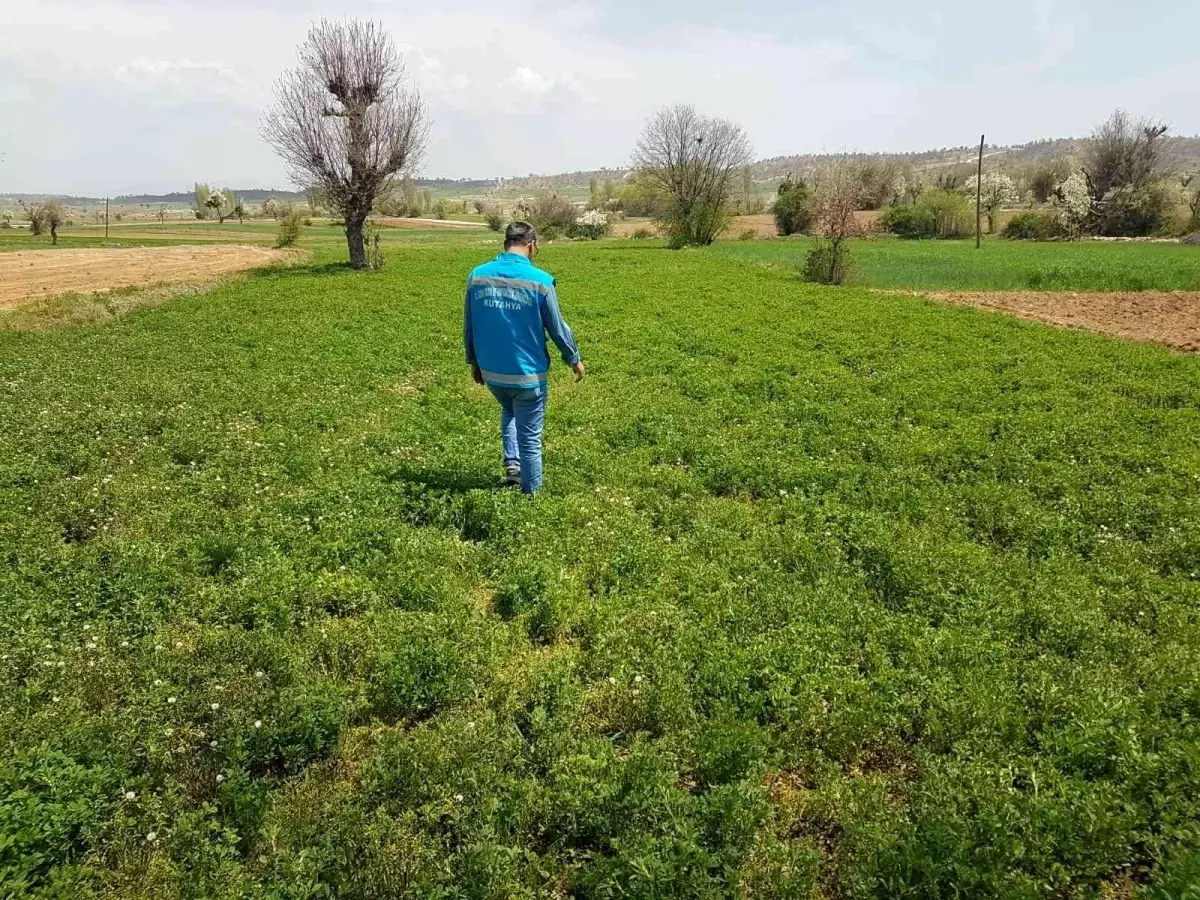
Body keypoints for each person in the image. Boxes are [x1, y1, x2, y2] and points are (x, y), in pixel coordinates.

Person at [463, 221, 585, 493]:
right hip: (528, 375)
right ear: (532, 245)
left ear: (506, 243)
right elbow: (558, 328)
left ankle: (513, 468)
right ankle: (531, 499)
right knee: (530, 437)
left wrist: (473, 361)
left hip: (493, 373)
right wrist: (573, 359)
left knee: (509, 410)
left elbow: (469, 323)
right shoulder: (540, 281)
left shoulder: (477, 276)